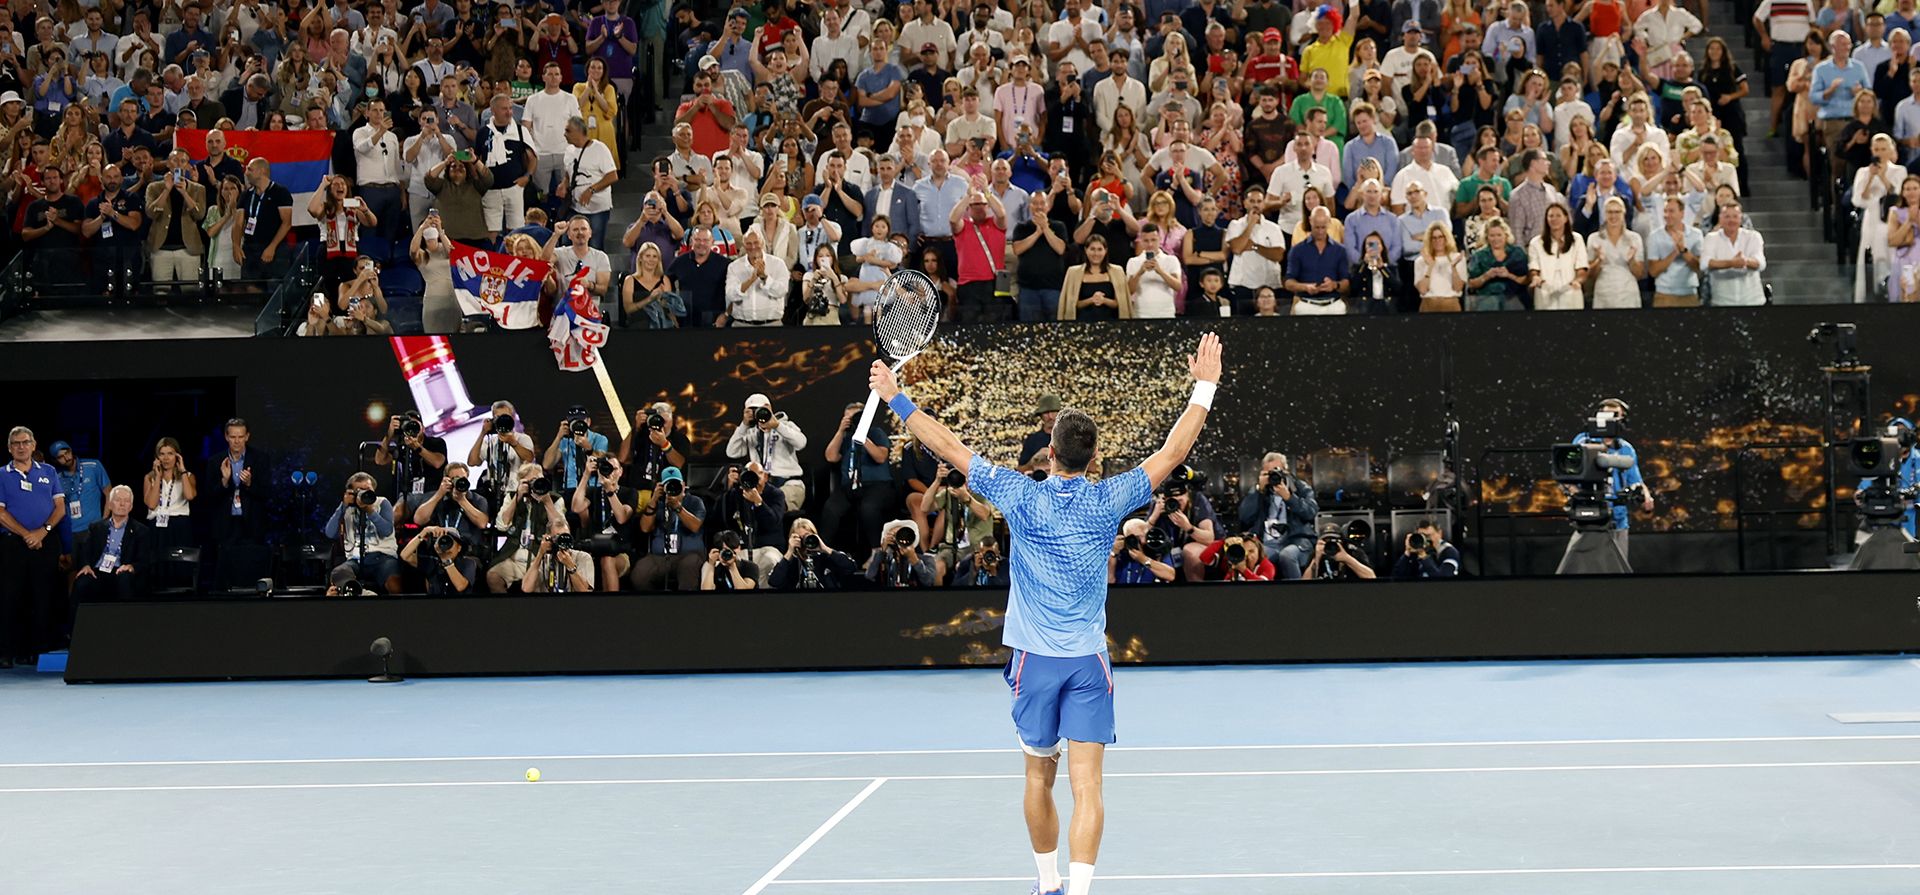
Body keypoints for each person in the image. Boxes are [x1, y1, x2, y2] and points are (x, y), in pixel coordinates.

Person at [867, 332, 1224, 895]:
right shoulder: (1110, 497)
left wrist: (895, 396)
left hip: (1034, 662)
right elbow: (1174, 452)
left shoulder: (1019, 493)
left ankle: (1048, 884)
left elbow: (951, 447)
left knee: (1039, 773)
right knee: (1088, 787)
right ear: (1094, 458)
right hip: (1087, 663)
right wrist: (1204, 384)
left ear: (1050, 452)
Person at [1, 427, 66, 666]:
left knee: (42, 596)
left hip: (45, 542)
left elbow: (60, 507)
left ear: (33, 444)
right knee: (11, 596)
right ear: (9, 448)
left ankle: (37, 652)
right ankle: (7, 652)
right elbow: (0, 512)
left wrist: (42, 532)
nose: (21, 446)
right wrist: (27, 534)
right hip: (12, 544)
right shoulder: (2, 474)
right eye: (16, 443)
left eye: (25, 442)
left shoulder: (48, 472)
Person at [1570, 398, 1654, 560]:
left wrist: (1646, 496)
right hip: (1589, 521)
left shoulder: (1626, 449)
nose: (1609, 419)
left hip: (1618, 522)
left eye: (1614, 415)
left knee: (1618, 569)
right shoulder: (1583, 442)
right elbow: (1568, 476)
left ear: (1622, 421)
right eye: (1605, 415)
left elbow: (1636, 480)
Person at [1237, 452, 1318, 579]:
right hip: (1267, 543)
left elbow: (1311, 512)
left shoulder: (1300, 488)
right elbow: (1245, 517)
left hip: (1296, 541)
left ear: (1286, 471)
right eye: (1269, 473)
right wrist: (1258, 492)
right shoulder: (1259, 491)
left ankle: (1299, 594)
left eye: (1277, 471)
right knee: (1256, 556)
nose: (1274, 476)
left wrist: (1289, 498)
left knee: (1287, 555)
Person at [73, 485, 155, 603]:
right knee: (82, 582)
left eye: (126, 501)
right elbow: (85, 551)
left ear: (131, 506)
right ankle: (76, 621)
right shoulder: (96, 528)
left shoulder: (141, 531)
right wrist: (86, 565)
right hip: (97, 571)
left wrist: (131, 567)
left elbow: (144, 559)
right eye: (117, 500)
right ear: (110, 505)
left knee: (125, 579)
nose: (122, 504)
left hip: (121, 570)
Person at [726, 394, 809, 511]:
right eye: (753, 410)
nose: (758, 413)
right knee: (742, 506)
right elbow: (732, 452)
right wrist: (744, 425)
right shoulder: (750, 433)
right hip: (760, 487)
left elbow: (801, 443)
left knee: (773, 505)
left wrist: (777, 426)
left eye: (761, 409)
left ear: (769, 409)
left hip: (789, 484)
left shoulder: (786, 426)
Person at [324, 472, 401, 595]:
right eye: (360, 491)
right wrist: (343, 506)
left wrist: (370, 511)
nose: (364, 494)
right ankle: (361, 594)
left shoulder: (381, 503)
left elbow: (387, 531)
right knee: (338, 573)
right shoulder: (346, 508)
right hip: (356, 559)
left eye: (368, 490)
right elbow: (330, 533)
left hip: (383, 556)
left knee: (395, 584)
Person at [630, 466, 706, 591]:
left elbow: (695, 526)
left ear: (683, 485)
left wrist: (678, 507)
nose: (673, 488)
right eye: (668, 484)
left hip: (688, 556)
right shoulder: (658, 504)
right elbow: (645, 528)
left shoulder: (695, 501)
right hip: (659, 557)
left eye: (676, 484)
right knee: (640, 574)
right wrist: (654, 500)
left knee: (689, 566)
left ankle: (686, 607)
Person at [233, 157, 293, 281]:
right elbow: (238, 223)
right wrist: (236, 245)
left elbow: (286, 223)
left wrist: (272, 246)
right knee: (249, 290)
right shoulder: (246, 195)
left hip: (275, 250)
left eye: (249, 169)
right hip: (250, 249)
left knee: (273, 291)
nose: (246, 173)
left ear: (261, 171)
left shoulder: (280, 192)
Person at [1699, 200, 1766, 305]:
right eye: (1727, 216)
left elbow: (1760, 263)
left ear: (1741, 218)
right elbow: (1704, 264)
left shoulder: (1753, 236)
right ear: (1720, 218)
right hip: (1722, 302)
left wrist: (1745, 261)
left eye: (1735, 216)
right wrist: (1732, 263)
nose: (1731, 220)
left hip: (1753, 301)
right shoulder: (1711, 238)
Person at [769, 518, 860, 590]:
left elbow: (851, 567)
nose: (804, 541)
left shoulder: (826, 557)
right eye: (800, 537)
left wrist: (825, 549)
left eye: (807, 536)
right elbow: (774, 581)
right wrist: (789, 552)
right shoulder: (790, 562)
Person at [49, 441, 110, 533]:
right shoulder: (56, 477)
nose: (66, 458)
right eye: (60, 457)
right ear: (55, 460)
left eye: (67, 453)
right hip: (70, 531)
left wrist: (104, 520)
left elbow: (109, 493)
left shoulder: (93, 466)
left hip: (94, 528)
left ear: (71, 451)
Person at [399, 525, 478, 594]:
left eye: (449, 541)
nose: (445, 545)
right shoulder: (432, 562)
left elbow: (460, 586)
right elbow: (405, 556)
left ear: (459, 547)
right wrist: (424, 532)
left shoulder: (468, 563)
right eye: (442, 541)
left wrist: (446, 560)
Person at [1391, 518, 1461, 578]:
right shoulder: (1416, 549)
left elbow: (1442, 580)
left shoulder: (1449, 552)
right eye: (1422, 536)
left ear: (1439, 533)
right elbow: (1396, 577)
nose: (1426, 539)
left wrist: (1424, 557)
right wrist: (1407, 553)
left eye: (1428, 535)